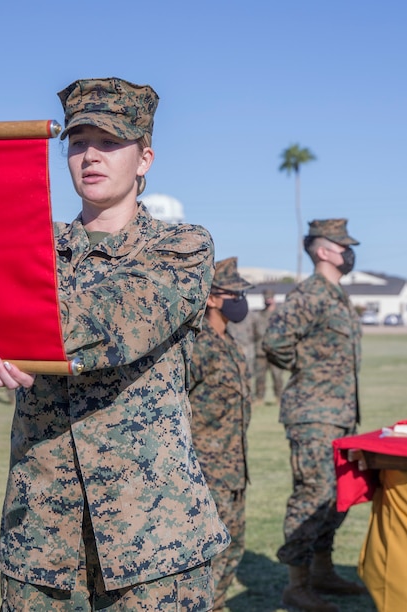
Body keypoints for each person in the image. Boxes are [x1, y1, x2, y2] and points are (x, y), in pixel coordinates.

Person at [0, 77, 229, 609]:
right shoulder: (31, 246)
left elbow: (116, 319)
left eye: (110, 141)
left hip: (154, 540)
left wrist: (23, 336)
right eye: (77, 142)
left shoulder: (182, 247)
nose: (90, 155)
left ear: (144, 159)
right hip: (43, 539)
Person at [262, 218, 368, 612]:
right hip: (312, 412)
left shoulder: (337, 295)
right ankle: (297, 584)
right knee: (313, 494)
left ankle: (322, 571)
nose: (350, 253)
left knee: (336, 496)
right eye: (344, 247)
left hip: (339, 413)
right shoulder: (311, 294)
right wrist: (305, 371)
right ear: (324, 251)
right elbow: (275, 341)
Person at [187, 257, 254, 611]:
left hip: (235, 468)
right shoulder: (199, 345)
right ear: (211, 298)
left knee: (235, 546)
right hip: (207, 468)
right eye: (233, 292)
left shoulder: (231, 344)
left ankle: (218, 604)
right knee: (211, 550)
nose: (240, 299)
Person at [252, 289, 284, 404]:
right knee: (260, 376)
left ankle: (279, 397)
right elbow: (255, 332)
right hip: (261, 351)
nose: (268, 301)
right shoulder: (259, 315)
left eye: (269, 298)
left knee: (277, 375)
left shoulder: (280, 314)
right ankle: (259, 398)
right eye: (266, 298)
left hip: (275, 351)